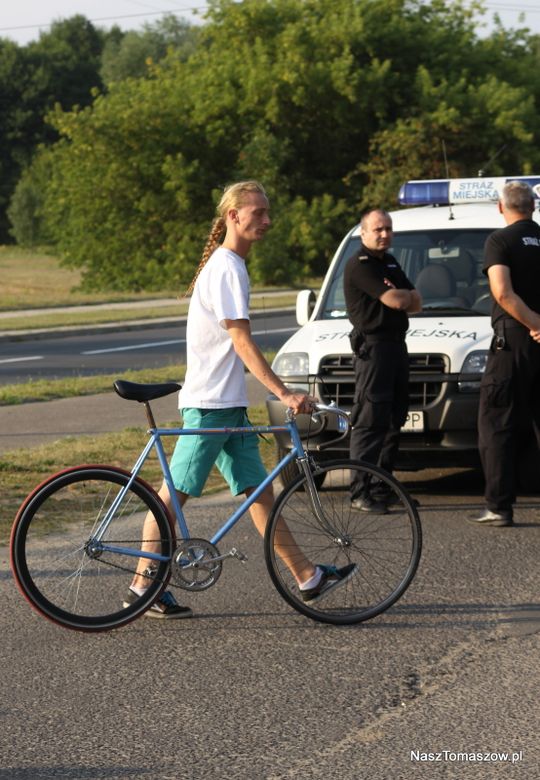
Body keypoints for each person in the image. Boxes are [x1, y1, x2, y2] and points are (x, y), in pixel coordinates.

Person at [125, 180, 357, 617]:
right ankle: (142, 587)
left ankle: (307, 577)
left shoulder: (229, 264)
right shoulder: (228, 267)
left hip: (227, 406)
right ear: (233, 216)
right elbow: (242, 342)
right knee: (169, 499)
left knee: (259, 495)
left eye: (269, 213)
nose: (267, 221)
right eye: (259, 213)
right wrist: (283, 391)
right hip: (210, 407)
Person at [470, 180, 540, 528]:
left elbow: (503, 293)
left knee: (496, 424)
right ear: (533, 206)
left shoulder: (500, 240)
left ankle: (498, 506)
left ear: (502, 208)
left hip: (513, 342)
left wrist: (534, 322)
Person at [343, 208, 422, 512]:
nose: (384, 234)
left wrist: (401, 296)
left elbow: (417, 303)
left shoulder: (389, 262)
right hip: (373, 350)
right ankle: (360, 492)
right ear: (363, 233)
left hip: (396, 347)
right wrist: (398, 295)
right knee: (369, 422)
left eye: (388, 228)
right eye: (378, 229)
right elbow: (399, 300)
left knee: (394, 420)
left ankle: (382, 486)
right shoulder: (360, 265)